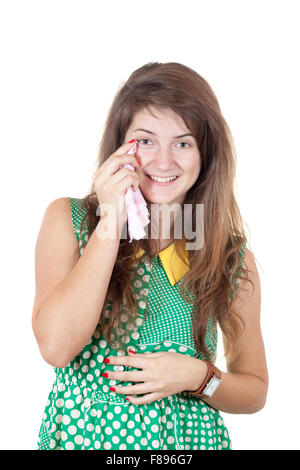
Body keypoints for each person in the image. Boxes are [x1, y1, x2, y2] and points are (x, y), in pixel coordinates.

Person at [32, 62, 268, 450]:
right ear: (120, 147)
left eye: (183, 142)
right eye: (145, 140)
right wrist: (111, 219)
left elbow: (254, 390)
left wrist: (197, 376)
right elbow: (56, 347)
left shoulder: (229, 257)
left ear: (204, 154)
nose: (162, 162)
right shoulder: (70, 220)